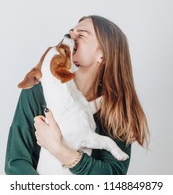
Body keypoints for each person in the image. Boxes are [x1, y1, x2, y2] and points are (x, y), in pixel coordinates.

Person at [5, 15, 149, 175]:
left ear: (102, 54)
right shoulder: (37, 90)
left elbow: (113, 176)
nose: (69, 36)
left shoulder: (116, 109)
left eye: (81, 35)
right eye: (70, 32)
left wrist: (60, 150)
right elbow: (16, 163)